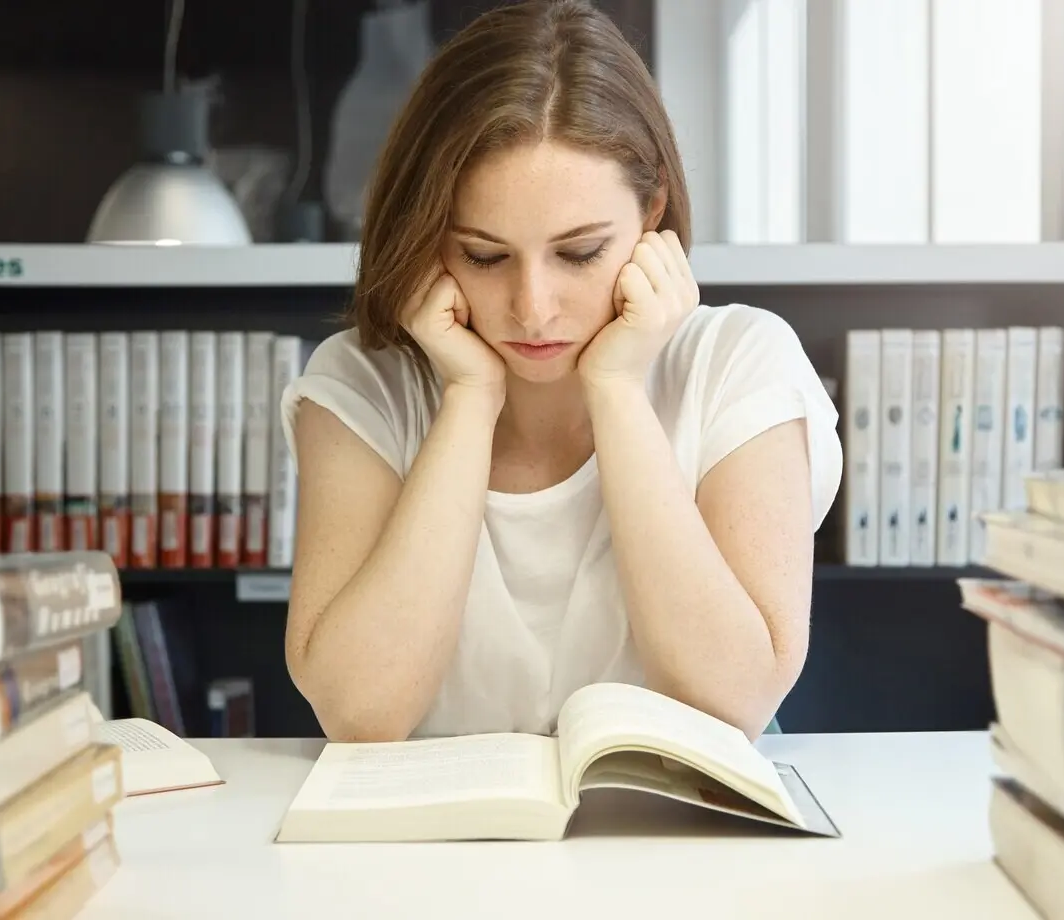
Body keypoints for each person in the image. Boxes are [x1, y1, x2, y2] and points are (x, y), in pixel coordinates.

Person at [280, 0, 843, 744]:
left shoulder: (741, 362)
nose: (533, 309)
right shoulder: (362, 384)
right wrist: (470, 399)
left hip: (686, 853)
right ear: (427, 240)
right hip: (431, 854)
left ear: (653, 219)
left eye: (579, 253)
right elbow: (360, 712)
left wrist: (616, 390)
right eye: (484, 255)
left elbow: (733, 698)